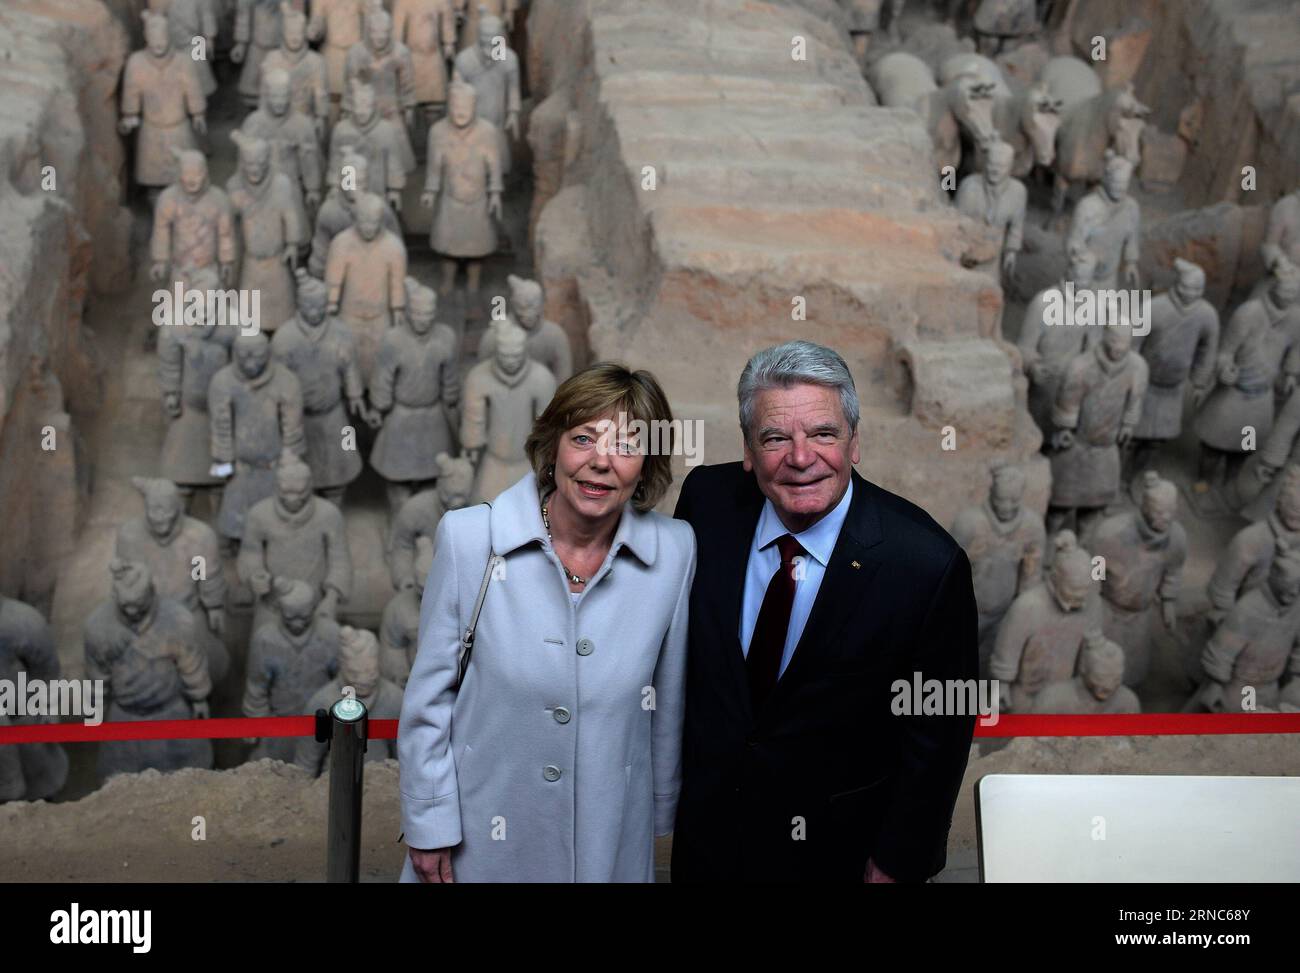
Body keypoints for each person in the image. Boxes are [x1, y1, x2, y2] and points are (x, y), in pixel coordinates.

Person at [671, 340, 978, 882]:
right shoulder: (707, 501)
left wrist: (897, 862)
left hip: (838, 853)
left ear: (855, 443)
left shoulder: (925, 563)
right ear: (747, 450)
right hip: (711, 842)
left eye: (823, 434)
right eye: (774, 438)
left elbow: (941, 731)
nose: (800, 456)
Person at [398, 364, 696, 882]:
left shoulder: (673, 551)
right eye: (583, 438)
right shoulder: (470, 540)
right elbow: (430, 701)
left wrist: (660, 810)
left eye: (626, 445)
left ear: (646, 466)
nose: (601, 462)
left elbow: (667, 700)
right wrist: (429, 823)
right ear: (553, 445)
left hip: (610, 839)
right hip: (479, 836)